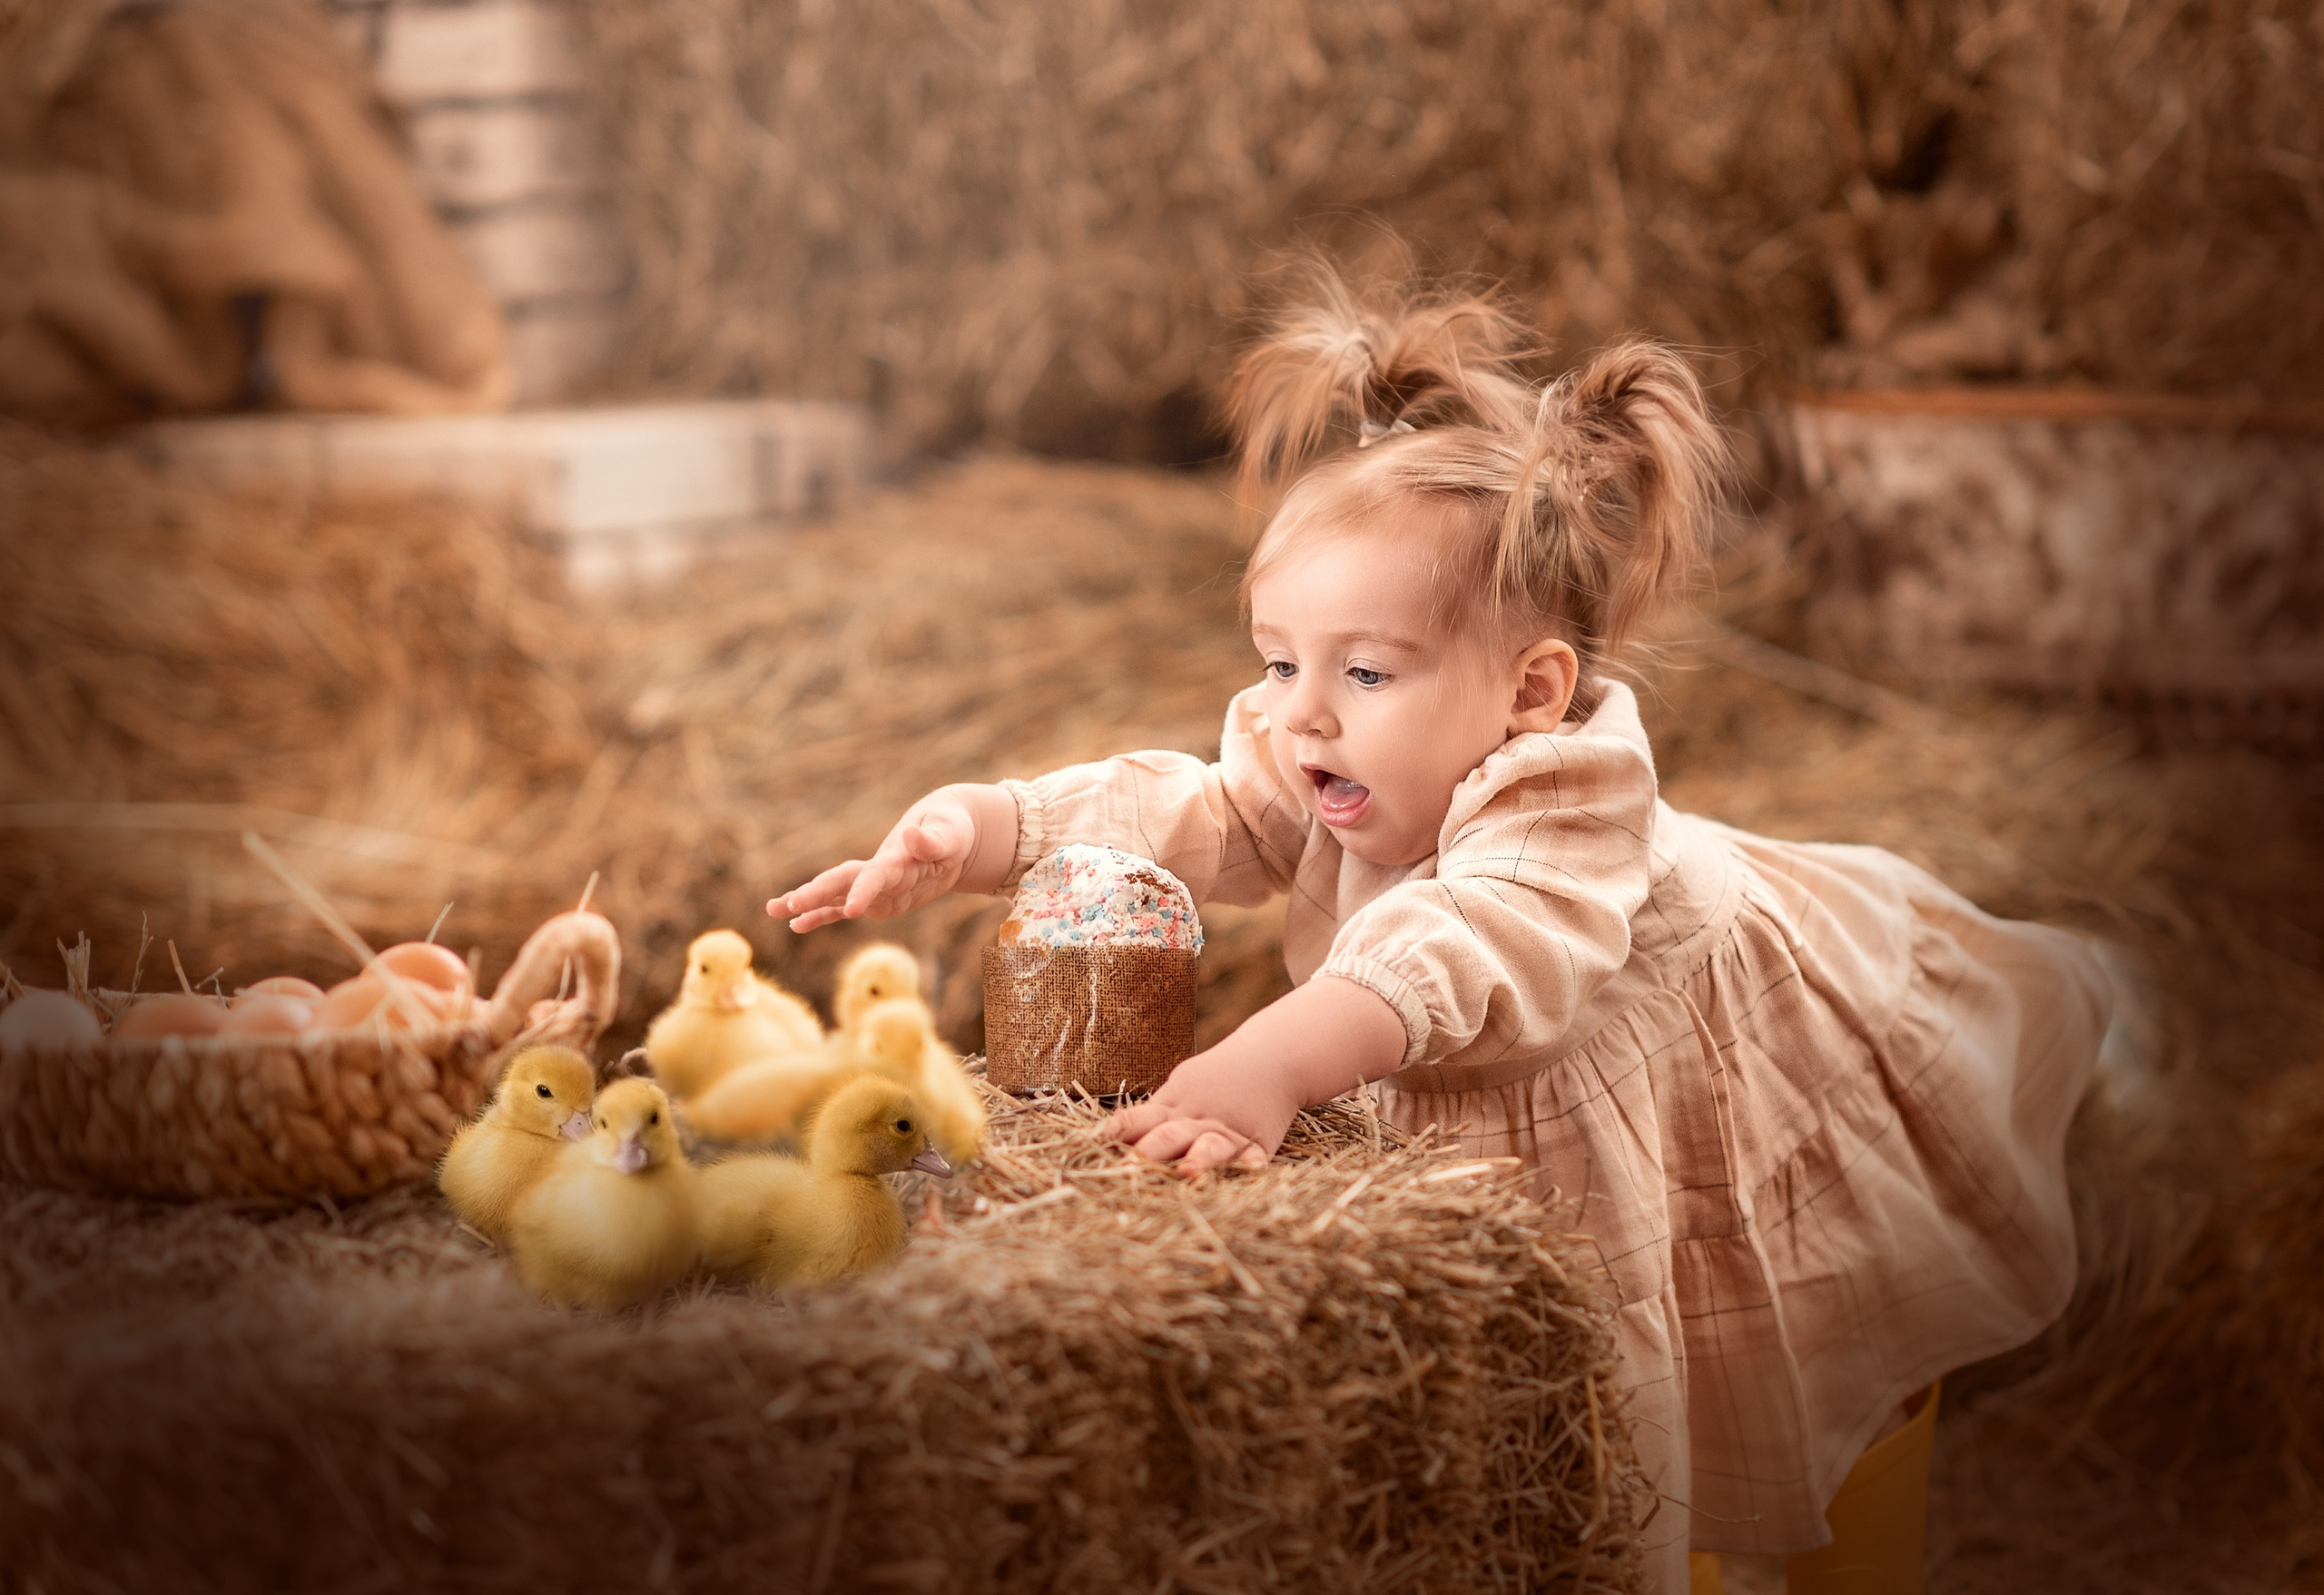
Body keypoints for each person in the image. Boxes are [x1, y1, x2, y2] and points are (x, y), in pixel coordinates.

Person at [768, 265, 2106, 1587]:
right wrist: (987, 828)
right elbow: (1205, 812)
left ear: (1531, 689)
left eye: (1363, 669)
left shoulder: (1570, 804)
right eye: (1278, 657)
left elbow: (1471, 940)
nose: (1300, 712)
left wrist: (1272, 1063)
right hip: (1495, 1079)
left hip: (1721, 1069)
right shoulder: (1319, 750)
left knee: (1740, 1363)